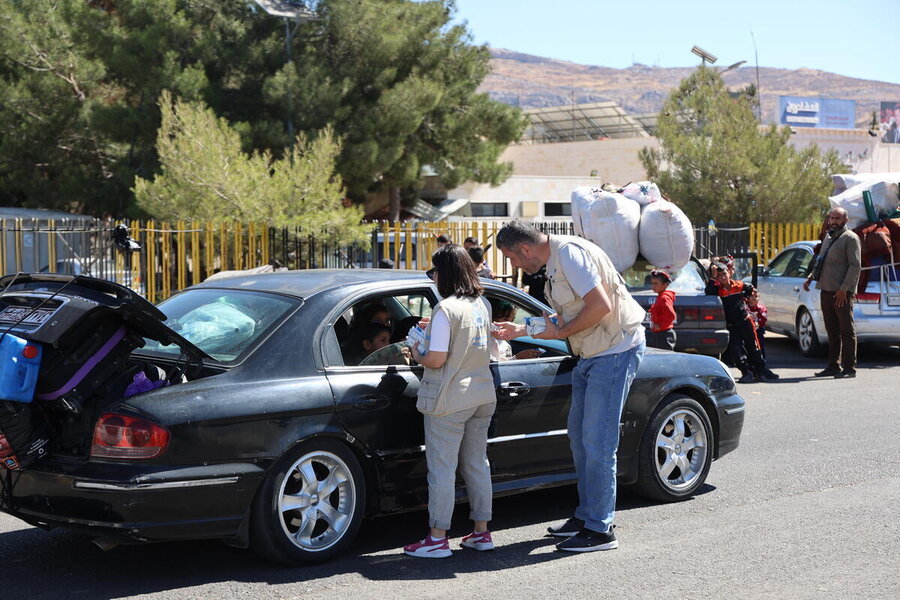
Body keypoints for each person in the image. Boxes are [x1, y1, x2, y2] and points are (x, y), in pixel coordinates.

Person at [493, 220, 646, 552]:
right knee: (580, 438)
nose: (513, 265)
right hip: (591, 353)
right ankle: (587, 515)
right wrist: (518, 331)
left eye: (511, 257)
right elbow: (565, 316)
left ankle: (600, 530)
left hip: (613, 352)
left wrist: (560, 335)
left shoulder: (571, 256)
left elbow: (600, 306)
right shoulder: (555, 262)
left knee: (598, 443)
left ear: (525, 249)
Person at [403, 244, 497, 559]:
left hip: (450, 398)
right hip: (483, 394)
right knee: (476, 463)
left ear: (444, 272)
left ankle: (437, 538)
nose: (434, 276)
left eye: (436, 270)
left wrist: (415, 350)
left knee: (442, 468)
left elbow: (436, 360)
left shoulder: (445, 309)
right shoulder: (481, 303)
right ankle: (481, 533)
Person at [803, 207, 862, 378]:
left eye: (838, 218)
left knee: (846, 330)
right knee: (831, 330)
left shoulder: (850, 238)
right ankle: (833, 365)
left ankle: (849, 368)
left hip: (842, 292)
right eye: (832, 217)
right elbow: (821, 260)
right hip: (826, 290)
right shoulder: (829, 236)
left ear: (845, 220)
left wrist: (844, 289)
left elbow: (855, 266)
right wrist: (811, 277)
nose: (834, 220)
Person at [706, 263, 778, 383]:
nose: (723, 277)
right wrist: (713, 277)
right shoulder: (717, 290)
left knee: (754, 347)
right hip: (731, 326)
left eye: (724, 274)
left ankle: (760, 372)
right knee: (736, 350)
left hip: (745, 321)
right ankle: (746, 372)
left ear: (729, 273)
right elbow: (708, 291)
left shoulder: (738, 285)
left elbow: (750, 289)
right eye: (719, 276)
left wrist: (749, 299)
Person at [646, 269, 676, 351]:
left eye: (656, 283)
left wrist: (660, 325)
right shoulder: (660, 296)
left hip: (664, 334)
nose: (653, 286)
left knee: (666, 358)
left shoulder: (664, 298)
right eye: (652, 283)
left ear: (665, 285)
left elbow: (671, 315)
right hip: (660, 333)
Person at [746, 287, 769, 358]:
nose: (753, 298)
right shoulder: (745, 307)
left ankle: (762, 357)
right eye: (751, 296)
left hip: (757, 330)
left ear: (758, 299)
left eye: (756, 296)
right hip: (747, 329)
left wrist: (758, 324)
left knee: (760, 344)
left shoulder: (761, 309)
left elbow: (763, 318)